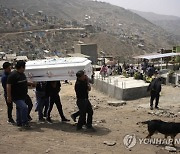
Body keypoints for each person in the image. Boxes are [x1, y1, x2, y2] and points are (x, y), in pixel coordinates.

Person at [7, 60, 30, 127]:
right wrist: (9, 97)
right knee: (24, 107)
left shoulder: (22, 74)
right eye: (24, 67)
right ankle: (25, 122)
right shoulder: (13, 75)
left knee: (19, 109)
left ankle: (19, 122)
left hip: (22, 96)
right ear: (21, 67)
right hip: (16, 97)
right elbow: (8, 85)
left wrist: (32, 84)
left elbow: (25, 82)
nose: (25, 68)